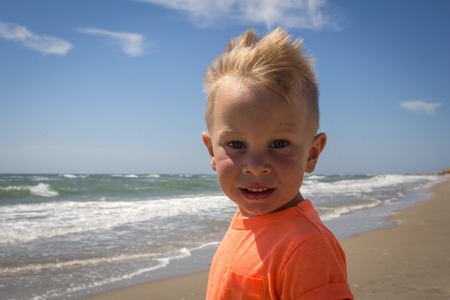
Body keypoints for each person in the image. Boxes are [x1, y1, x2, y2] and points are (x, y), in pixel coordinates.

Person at [201, 27, 353, 299]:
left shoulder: (306, 248)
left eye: (279, 144)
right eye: (236, 144)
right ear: (212, 151)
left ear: (312, 153)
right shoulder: (246, 220)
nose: (256, 165)